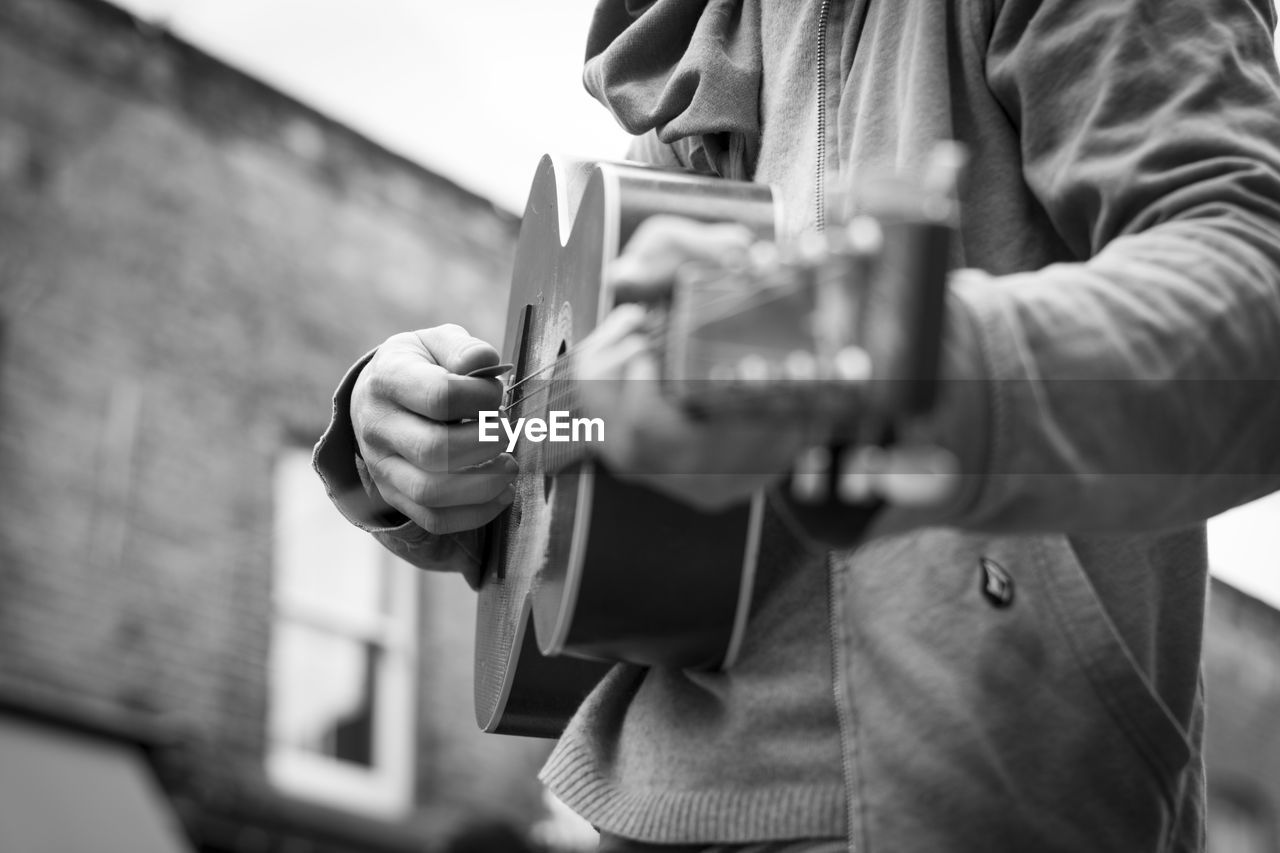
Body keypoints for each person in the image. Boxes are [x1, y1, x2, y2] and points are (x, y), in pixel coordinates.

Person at [313, 0, 1280, 850]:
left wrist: (851, 355)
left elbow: (1257, 304)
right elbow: (620, 469)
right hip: (650, 807)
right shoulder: (698, 54)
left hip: (962, 793)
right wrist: (418, 447)